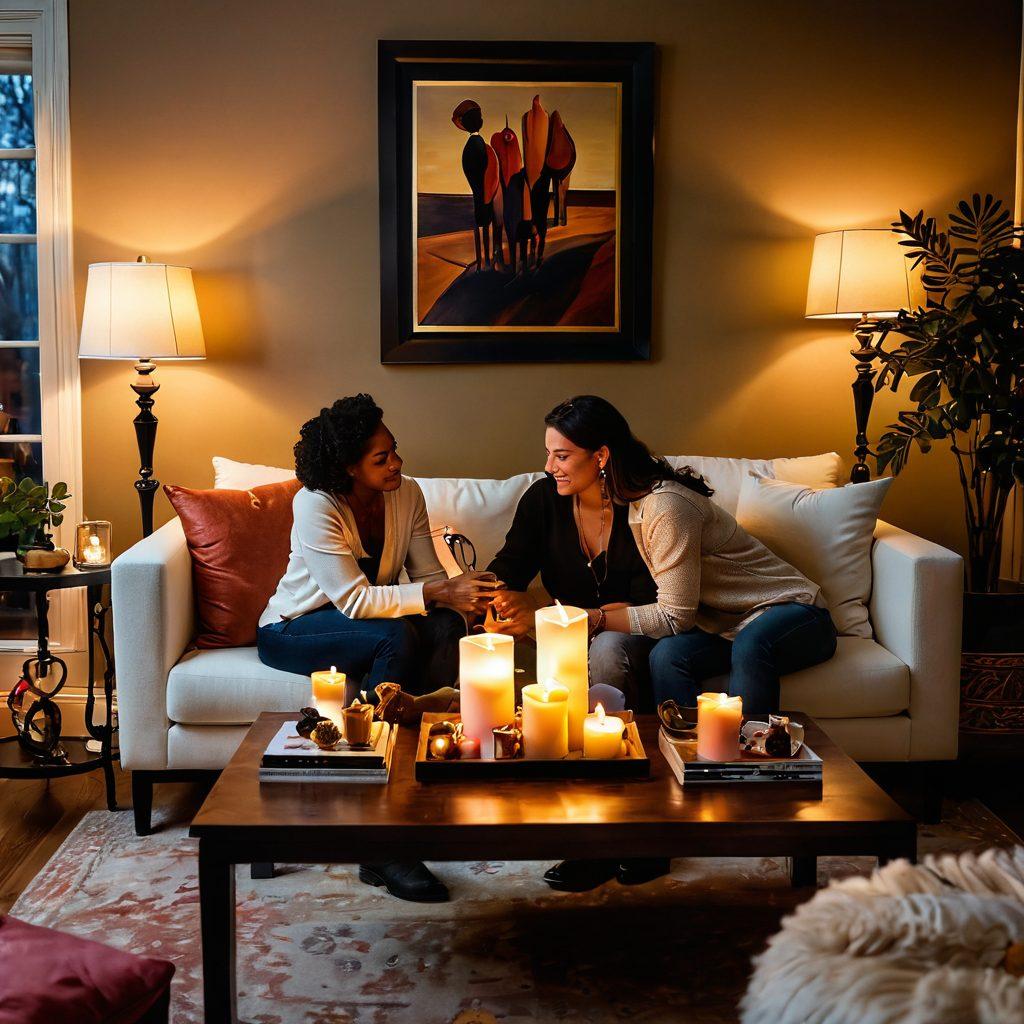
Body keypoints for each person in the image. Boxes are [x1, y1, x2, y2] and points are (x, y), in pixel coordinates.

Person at [506, 396, 837, 893]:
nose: (548, 465)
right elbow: (678, 628)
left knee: (749, 646)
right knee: (668, 655)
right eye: (549, 453)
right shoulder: (556, 500)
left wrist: (590, 618)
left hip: (791, 610)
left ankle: (750, 791)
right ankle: (667, 808)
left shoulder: (664, 506)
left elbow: (672, 613)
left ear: (600, 456)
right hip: (719, 624)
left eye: (561, 455)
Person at [258, 394, 500, 903]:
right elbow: (352, 599)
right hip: (293, 629)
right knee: (397, 633)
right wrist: (438, 594)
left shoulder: (406, 494)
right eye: (381, 458)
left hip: (370, 625)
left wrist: (469, 604)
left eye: (395, 451)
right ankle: (377, 836)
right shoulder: (315, 503)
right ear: (347, 468)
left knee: (443, 629)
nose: (397, 464)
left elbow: (430, 577)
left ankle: (422, 798)